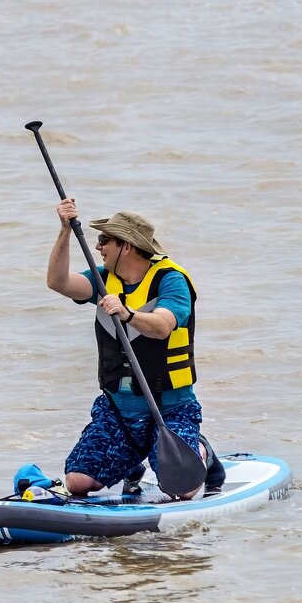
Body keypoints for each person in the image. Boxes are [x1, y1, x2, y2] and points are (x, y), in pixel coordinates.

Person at [46, 199, 223, 499]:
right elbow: (58, 281)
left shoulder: (171, 281)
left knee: (183, 490)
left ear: (126, 246)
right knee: (76, 483)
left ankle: (203, 452)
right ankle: (132, 463)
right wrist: (64, 231)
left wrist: (128, 313)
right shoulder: (102, 279)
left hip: (169, 410)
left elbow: (163, 325)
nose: (99, 247)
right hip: (118, 410)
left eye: (104, 240)